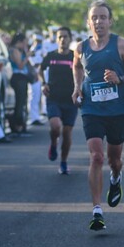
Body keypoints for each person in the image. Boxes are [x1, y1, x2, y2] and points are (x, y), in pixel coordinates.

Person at [72, 1, 124, 231]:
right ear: (88, 21)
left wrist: (119, 78)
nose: (99, 22)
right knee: (96, 157)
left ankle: (115, 178)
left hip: (117, 110)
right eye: (95, 17)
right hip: (91, 109)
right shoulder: (81, 47)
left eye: (103, 17)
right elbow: (77, 67)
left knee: (114, 160)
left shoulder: (121, 45)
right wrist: (76, 87)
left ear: (110, 21)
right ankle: (97, 210)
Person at [40, 26, 78, 175]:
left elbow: (83, 73)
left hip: (70, 100)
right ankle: (53, 143)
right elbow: (40, 69)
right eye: (60, 37)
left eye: (65, 37)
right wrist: (44, 83)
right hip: (54, 98)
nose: (63, 39)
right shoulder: (51, 56)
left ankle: (63, 162)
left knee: (67, 133)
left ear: (70, 39)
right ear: (56, 40)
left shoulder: (75, 57)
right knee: (55, 126)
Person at [8, 33, 31, 135]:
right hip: (18, 78)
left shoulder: (20, 50)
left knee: (23, 102)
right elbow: (20, 65)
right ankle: (18, 124)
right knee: (20, 102)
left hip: (22, 78)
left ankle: (21, 124)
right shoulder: (14, 50)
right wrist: (27, 57)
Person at [28, 33, 45, 126]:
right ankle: (33, 117)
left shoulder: (42, 49)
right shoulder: (32, 50)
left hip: (39, 75)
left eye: (39, 41)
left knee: (37, 96)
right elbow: (32, 63)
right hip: (33, 75)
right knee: (33, 96)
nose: (38, 43)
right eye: (37, 41)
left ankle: (36, 116)